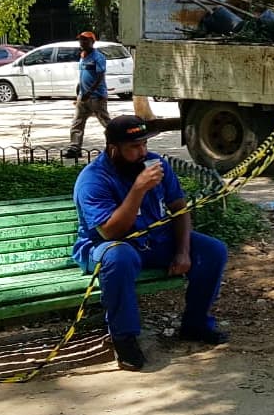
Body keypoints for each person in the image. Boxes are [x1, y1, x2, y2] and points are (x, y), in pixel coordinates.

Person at [72, 115, 229, 371]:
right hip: (107, 246)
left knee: (213, 251)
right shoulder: (93, 180)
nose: (142, 151)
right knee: (118, 258)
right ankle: (124, 338)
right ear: (113, 149)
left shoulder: (155, 164)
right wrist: (138, 190)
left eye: (144, 144)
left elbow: (179, 207)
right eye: (134, 147)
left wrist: (183, 251)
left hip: (152, 239)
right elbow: (111, 233)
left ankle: (195, 324)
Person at [63, 31, 111, 159]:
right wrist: (80, 89)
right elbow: (84, 75)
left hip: (97, 97)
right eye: (81, 40)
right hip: (82, 96)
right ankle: (74, 148)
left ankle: (116, 144)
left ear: (92, 42)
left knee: (106, 122)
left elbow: (100, 76)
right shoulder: (83, 56)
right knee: (77, 122)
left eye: (86, 40)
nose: (82, 42)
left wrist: (90, 92)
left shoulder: (98, 57)